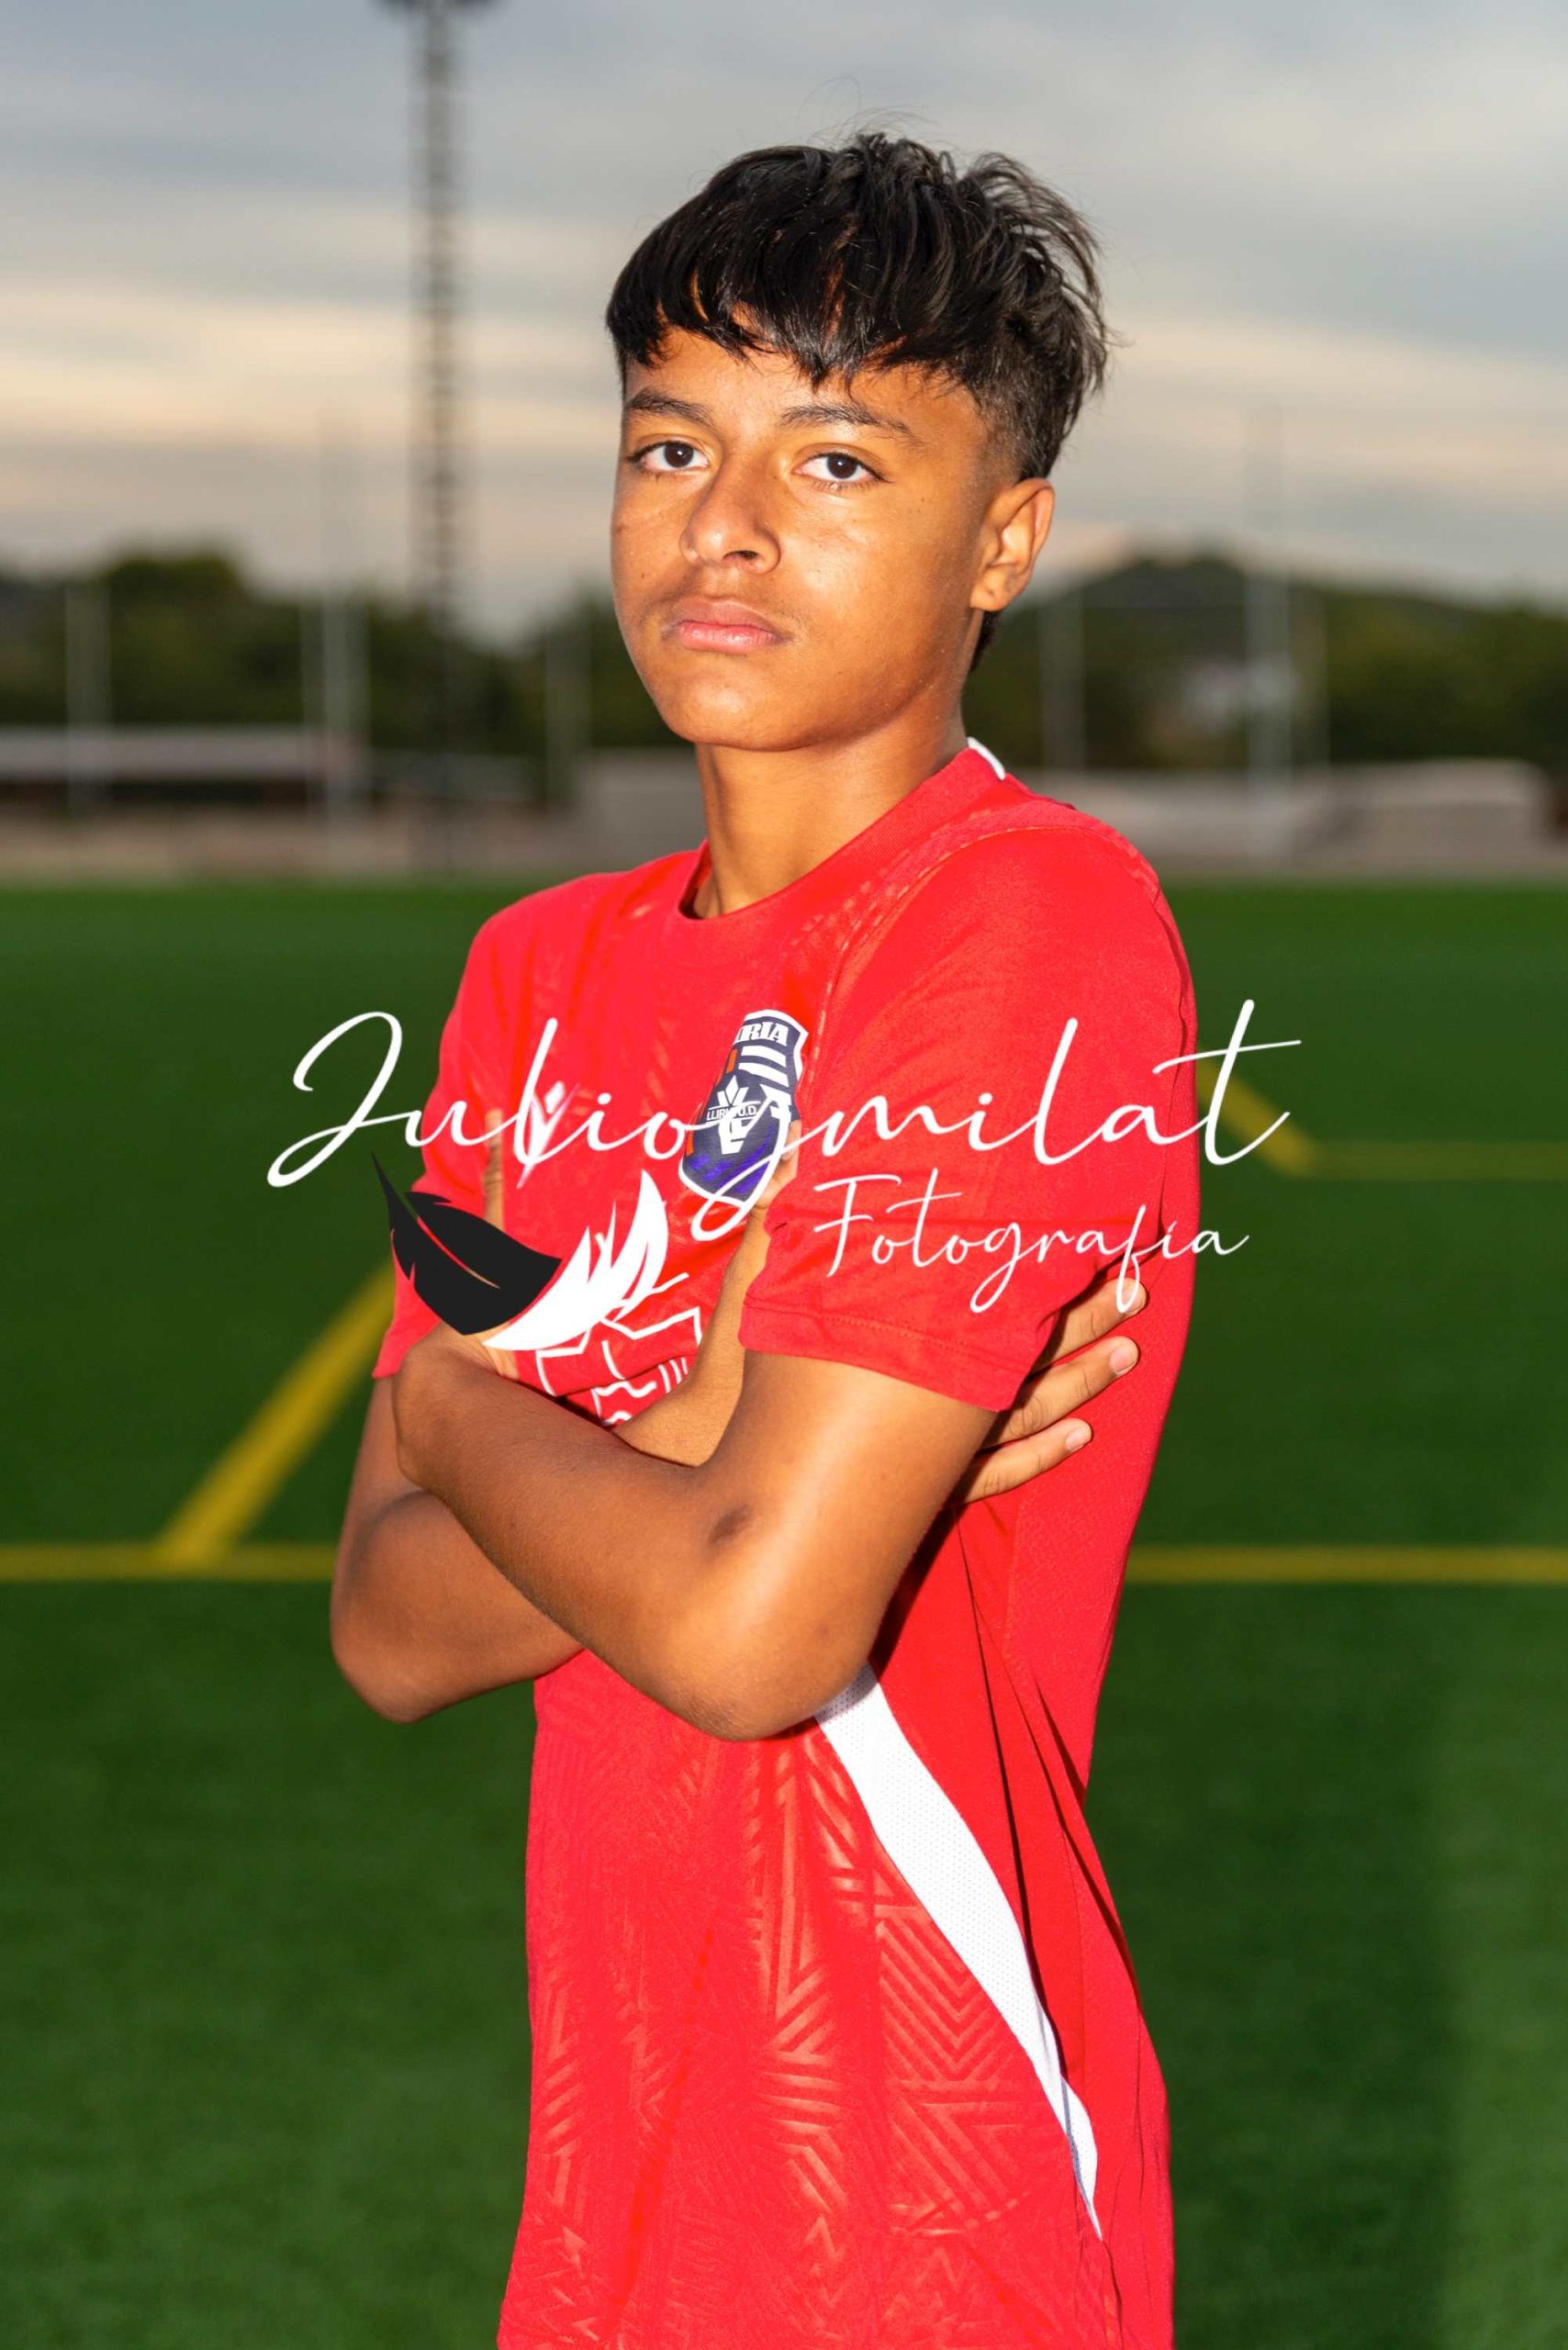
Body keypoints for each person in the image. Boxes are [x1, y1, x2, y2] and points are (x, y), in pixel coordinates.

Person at [331, 131, 1200, 2350]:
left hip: (920, 2189)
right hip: (613, 2173)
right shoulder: (537, 968)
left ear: (1000, 538)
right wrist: (678, 1439)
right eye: (667, 444)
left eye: (832, 459)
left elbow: (749, 1633)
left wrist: (466, 1415)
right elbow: (388, 1625)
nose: (720, 525)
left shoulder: (1021, 921)